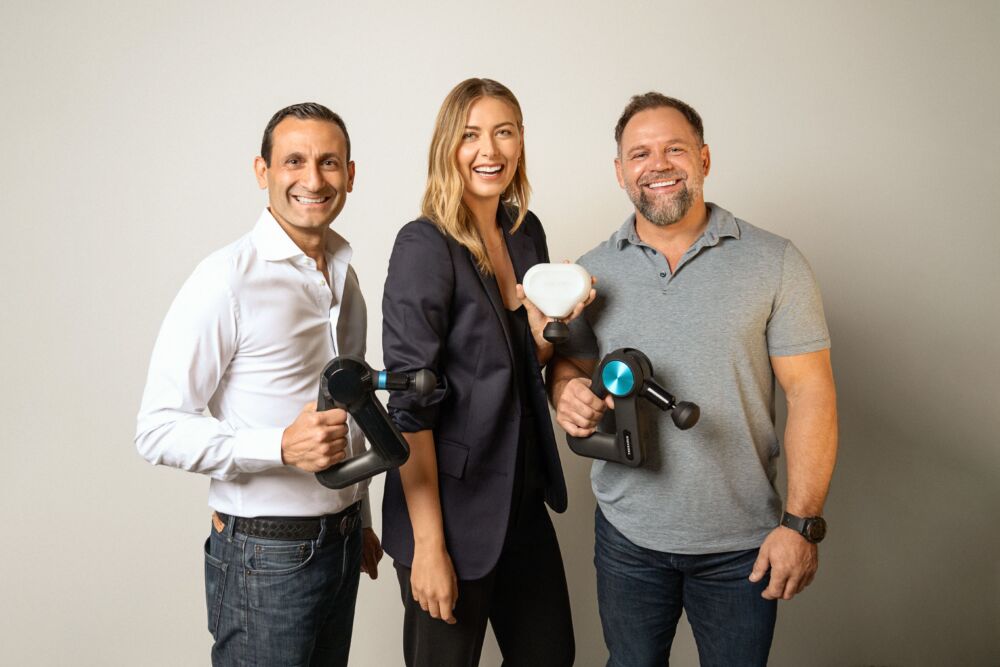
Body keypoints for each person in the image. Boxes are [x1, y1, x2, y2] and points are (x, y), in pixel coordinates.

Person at [549, 92, 838, 666]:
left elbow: (811, 395)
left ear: (704, 159)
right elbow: (571, 363)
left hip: (742, 544)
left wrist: (801, 524)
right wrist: (564, 390)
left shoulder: (775, 262)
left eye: (674, 149)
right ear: (620, 172)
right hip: (627, 536)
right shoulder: (590, 271)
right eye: (640, 154)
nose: (657, 165)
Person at [135, 102, 382, 667]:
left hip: (343, 543)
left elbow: (350, 408)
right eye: (294, 161)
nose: (313, 179)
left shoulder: (346, 278)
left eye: (329, 162)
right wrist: (279, 446)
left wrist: (360, 516)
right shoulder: (225, 279)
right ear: (261, 171)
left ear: (350, 174)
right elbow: (156, 429)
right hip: (264, 556)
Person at [380, 78, 587, 667]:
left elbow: (517, 370)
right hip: (449, 512)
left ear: (521, 142)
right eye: (470, 135)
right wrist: (429, 548)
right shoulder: (424, 245)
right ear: (447, 146)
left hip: (522, 500)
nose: (489, 150)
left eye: (504, 132)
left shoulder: (525, 231)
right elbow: (410, 405)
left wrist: (551, 330)